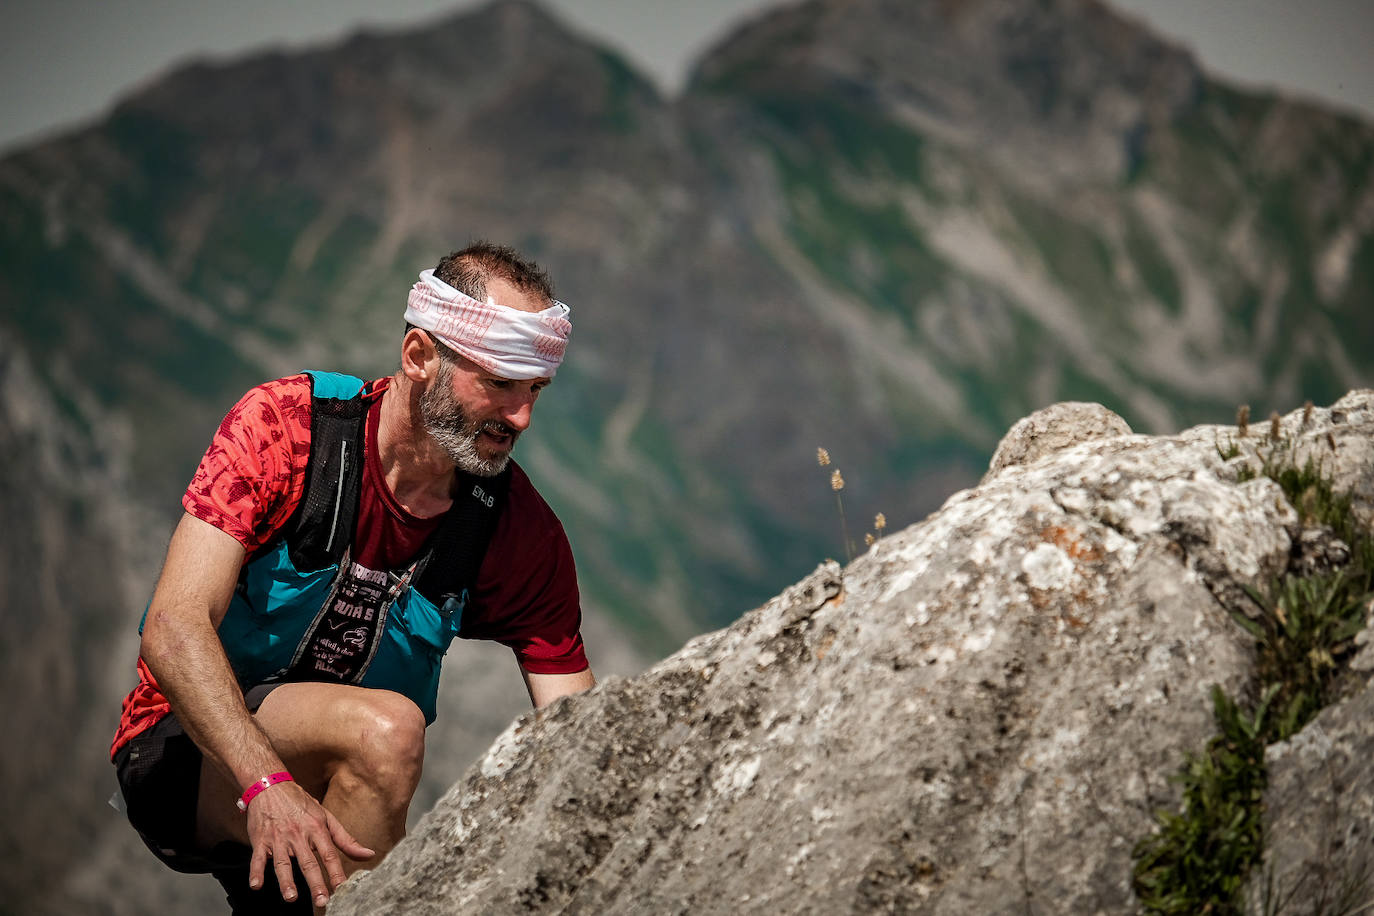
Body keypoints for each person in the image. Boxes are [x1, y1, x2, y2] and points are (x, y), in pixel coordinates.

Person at [110, 241, 596, 913]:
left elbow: (577, 729)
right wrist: (267, 785)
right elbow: (173, 627)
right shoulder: (288, 428)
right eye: (499, 382)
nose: (522, 417)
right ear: (420, 356)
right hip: (184, 749)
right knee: (386, 733)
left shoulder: (515, 530)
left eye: (535, 389)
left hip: (332, 792)